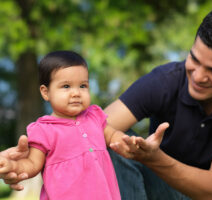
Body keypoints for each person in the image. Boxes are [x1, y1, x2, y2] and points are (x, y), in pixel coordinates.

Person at [1, 7, 212, 200]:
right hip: (161, 190)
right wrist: (28, 157)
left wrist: (153, 158)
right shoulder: (163, 81)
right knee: (115, 140)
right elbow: (84, 131)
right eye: (194, 59)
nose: (197, 76)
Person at [0, 50, 168, 200]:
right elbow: (32, 164)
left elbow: (112, 135)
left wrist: (128, 142)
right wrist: (13, 166)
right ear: (46, 92)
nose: (76, 93)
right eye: (66, 86)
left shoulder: (94, 117)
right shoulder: (44, 129)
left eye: (83, 86)